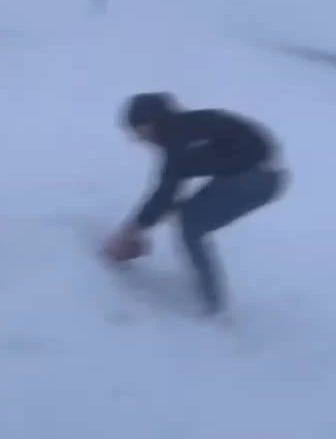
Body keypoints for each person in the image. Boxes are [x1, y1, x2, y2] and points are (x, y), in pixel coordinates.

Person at [102, 92, 287, 314]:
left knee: (191, 224)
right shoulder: (184, 129)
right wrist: (139, 227)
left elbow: (165, 191)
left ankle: (212, 304)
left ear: (150, 122)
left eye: (138, 132)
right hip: (260, 175)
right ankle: (209, 297)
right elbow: (169, 191)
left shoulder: (177, 135)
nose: (140, 140)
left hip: (256, 178)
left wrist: (133, 229)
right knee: (185, 213)